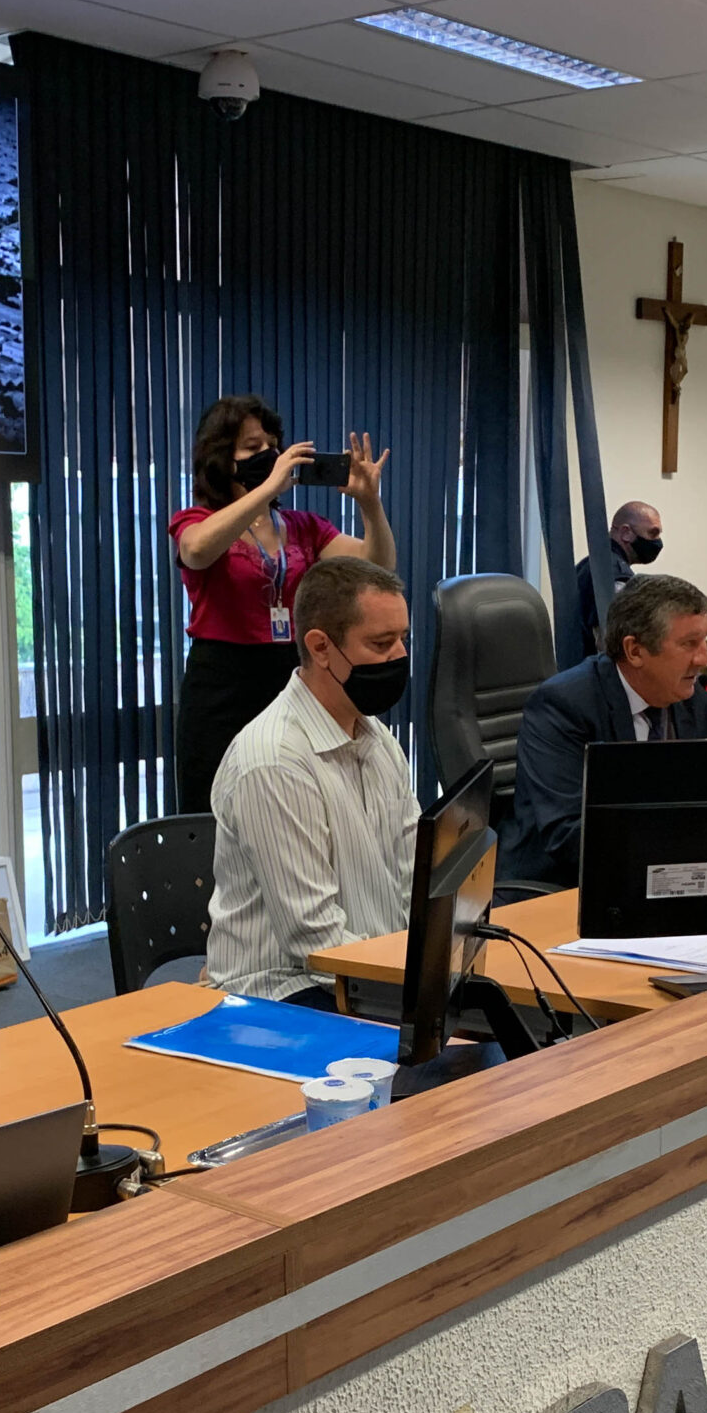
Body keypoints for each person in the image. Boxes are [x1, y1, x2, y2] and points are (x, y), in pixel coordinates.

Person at [205, 557, 419, 1007]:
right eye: (382, 643)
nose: (399, 656)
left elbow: (415, 876)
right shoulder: (274, 761)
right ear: (321, 648)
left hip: (366, 973)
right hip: (280, 996)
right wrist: (415, 983)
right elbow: (315, 941)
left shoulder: (377, 738)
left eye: (404, 639)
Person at [170, 396, 394, 814]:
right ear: (222, 458)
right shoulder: (196, 520)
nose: (269, 455)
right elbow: (196, 551)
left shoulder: (303, 527)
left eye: (273, 445)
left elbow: (377, 568)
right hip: (221, 684)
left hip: (288, 677)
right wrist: (268, 488)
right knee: (215, 810)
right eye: (253, 447)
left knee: (290, 805)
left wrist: (370, 504)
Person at [499, 574, 707, 888]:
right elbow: (567, 835)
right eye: (688, 644)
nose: (703, 659)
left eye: (705, 640)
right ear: (635, 651)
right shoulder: (564, 705)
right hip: (565, 884)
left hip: (671, 880)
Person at [573, 500, 663, 651]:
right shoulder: (615, 575)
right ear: (626, 533)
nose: (658, 542)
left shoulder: (591, 564)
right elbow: (613, 640)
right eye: (652, 533)